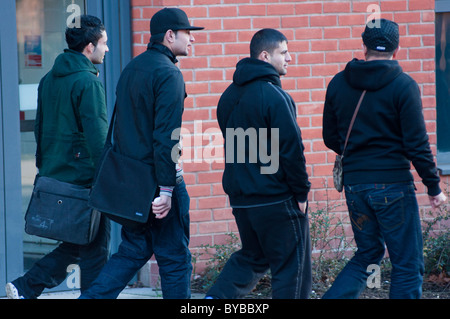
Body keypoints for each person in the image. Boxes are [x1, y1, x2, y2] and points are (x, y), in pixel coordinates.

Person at [79, 8, 203, 299]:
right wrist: (167, 189)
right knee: (175, 260)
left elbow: (122, 130)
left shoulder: (132, 68)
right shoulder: (169, 74)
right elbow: (165, 138)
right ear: (170, 35)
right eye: (187, 33)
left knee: (132, 251)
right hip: (159, 185)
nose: (191, 40)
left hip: (132, 185)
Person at [322, 18, 447, 299]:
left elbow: (330, 137)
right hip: (392, 186)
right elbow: (417, 144)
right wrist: (434, 187)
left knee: (368, 254)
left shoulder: (338, 83)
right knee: (407, 263)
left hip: (355, 187)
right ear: (398, 48)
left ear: (364, 46)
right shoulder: (404, 86)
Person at [6, 15, 110, 299]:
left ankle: (26, 287)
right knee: (95, 248)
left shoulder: (48, 80)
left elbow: (41, 129)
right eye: (104, 43)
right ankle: (28, 286)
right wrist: (109, 178)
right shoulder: (87, 82)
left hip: (58, 173)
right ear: (89, 47)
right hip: (85, 178)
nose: (107, 49)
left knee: (81, 243)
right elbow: (97, 136)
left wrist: (46, 166)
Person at [206, 28, 312, 299]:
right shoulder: (274, 96)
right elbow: (291, 150)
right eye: (284, 53)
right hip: (275, 199)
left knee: (253, 257)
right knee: (292, 268)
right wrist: (301, 192)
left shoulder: (228, 96)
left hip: (242, 200)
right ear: (265, 56)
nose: (290, 58)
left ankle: (212, 300)